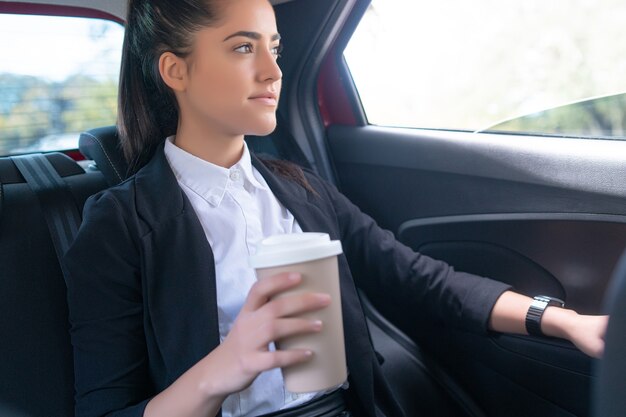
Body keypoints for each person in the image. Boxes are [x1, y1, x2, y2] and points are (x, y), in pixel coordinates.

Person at [63, 0, 608, 416]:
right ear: (175, 71)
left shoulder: (302, 190)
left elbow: (420, 280)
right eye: (242, 47)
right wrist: (224, 368)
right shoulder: (119, 225)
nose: (274, 72)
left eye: (274, 48)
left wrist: (563, 321)